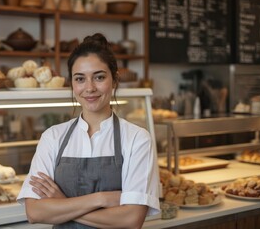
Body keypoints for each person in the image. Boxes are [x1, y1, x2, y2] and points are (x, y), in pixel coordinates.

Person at [17, 33, 160, 228]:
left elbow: (131, 219)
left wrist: (61, 203)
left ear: (115, 80)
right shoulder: (53, 137)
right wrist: (100, 199)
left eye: (99, 77)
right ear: (72, 84)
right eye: (80, 79)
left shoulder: (137, 139)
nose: (89, 88)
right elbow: (34, 211)